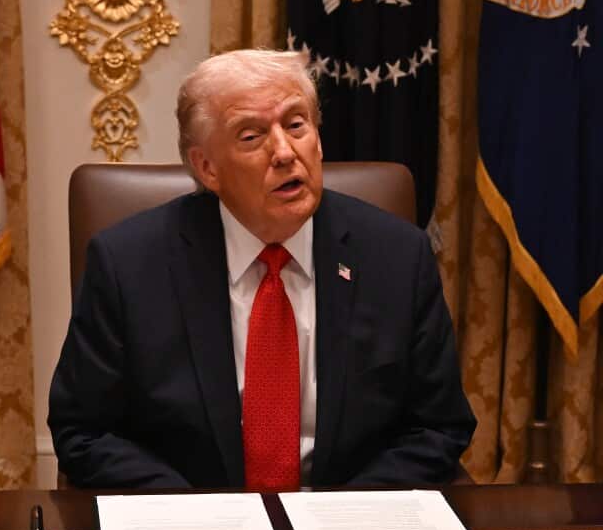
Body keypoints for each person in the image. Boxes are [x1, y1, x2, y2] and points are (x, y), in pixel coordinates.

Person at [49, 49, 474, 490]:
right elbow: (83, 432)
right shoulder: (129, 265)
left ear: (318, 139)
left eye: (296, 125)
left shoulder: (397, 257)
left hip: (349, 514)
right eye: (251, 136)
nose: (285, 152)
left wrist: (345, 514)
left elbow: (439, 426)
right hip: (196, 516)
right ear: (207, 168)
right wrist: (191, 511)